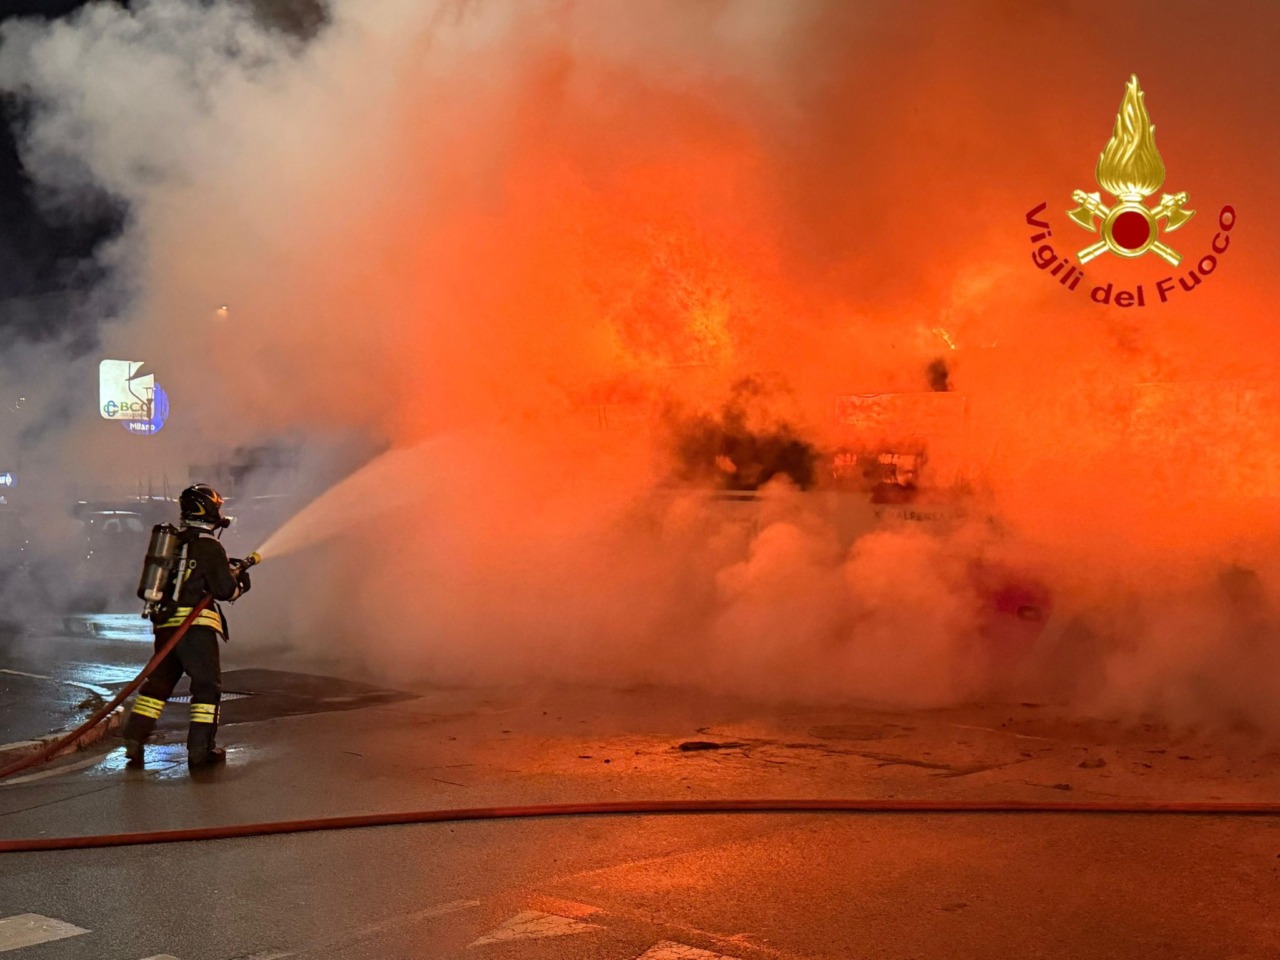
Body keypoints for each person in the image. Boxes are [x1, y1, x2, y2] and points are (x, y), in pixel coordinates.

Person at [122, 483, 252, 767]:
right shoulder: (209, 545)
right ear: (208, 509)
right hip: (195, 631)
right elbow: (224, 590)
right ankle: (200, 749)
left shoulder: (173, 542)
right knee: (206, 688)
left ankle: (134, 739)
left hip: (166, 628)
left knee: (158, 685)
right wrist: (241, 583)